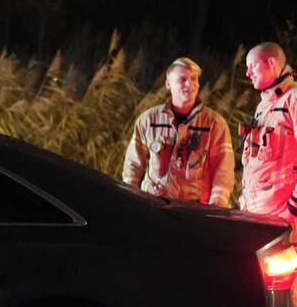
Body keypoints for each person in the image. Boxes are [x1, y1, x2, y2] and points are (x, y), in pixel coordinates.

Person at [122, 57, 234, 207]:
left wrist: (217, 203)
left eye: (194, 79)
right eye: (182, 79)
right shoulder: (149, 120)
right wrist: (130, 199)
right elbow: (133, 165)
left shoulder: (214, 124)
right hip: (153, 206)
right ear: (168, 84)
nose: (190, 84)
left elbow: (223, 168)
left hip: (193, 211)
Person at [240, 42, 297, 222]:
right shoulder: (264, 105)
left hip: (282, 219)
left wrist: (292, 210)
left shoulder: (293, 99)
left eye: (252, 66)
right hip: (256, 213)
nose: (248, 73)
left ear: (271, 63)